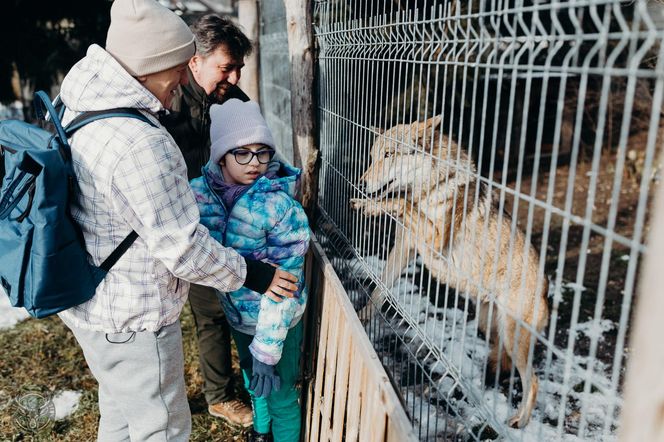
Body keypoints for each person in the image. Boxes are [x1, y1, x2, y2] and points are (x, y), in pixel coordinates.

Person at [56, 1, 298, 440]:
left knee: (123, 420)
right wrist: (255, 273)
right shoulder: (139, 142)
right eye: (176, 67)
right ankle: (219, 394)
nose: (183, 78)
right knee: (161, 429)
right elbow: (182, 248)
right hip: (136, 317)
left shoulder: (82, 102)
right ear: (150, 66)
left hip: (97, 305)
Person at [189, 99, 310, 442]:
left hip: (279, 320)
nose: (255, 163)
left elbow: (287, 284)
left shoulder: (279, 206)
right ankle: (261, 433)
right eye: (242, 152)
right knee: (253, 383)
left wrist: (268, 350)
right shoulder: (200, 197)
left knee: (281, 392)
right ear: (221, 156)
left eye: (263, 152)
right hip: (239, 316)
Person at [160, 14, 257, 426]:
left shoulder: (234, 103)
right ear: (195, 62)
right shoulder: (168, 106)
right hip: (191, 230)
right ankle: (219, 394)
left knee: (247, 302)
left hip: (238, 220)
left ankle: (261, 381)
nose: (233, 77)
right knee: (210, 311)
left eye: (238, 68)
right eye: (225, 67)